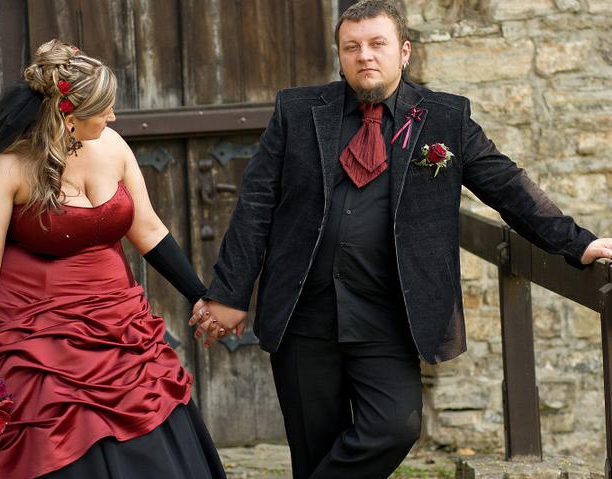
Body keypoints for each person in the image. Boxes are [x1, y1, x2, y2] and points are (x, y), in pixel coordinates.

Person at [188, 1, 612, 478]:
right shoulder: (297, 111)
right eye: (352, 46)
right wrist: (230, 292)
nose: (364, 55)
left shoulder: (444, 118)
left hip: (388, 315)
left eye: (377, 44)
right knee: (314, 451)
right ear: (340, 54)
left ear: (404, 51)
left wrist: (577, 242)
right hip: (304, 314)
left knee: (396, 425)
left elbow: (507, 185)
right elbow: (255, 204)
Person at [0, 39, 226, 478]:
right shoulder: (5, 169)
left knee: (148, 412)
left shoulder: (113, 146)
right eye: (104, 109)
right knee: (54, 435)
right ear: (68, 117)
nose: (113, 117)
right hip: (38, 330)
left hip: (118, 323)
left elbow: (148, 230)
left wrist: (199, 295)